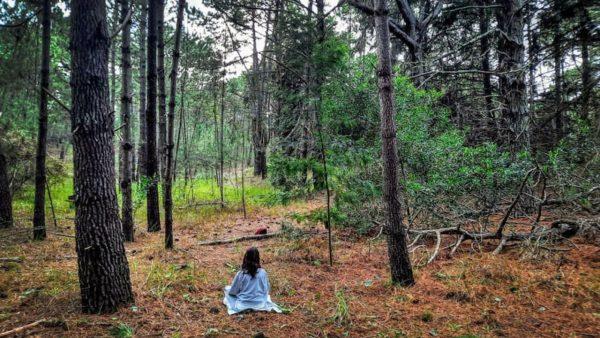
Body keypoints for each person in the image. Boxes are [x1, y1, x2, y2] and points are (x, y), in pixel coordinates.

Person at [223, 247, 282, 315]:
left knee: (227, 291)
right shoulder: (263, 272)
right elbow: (267, 290)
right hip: (260, 305)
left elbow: (233, 292)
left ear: (246, 258)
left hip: (242, 306)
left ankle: (246, 307)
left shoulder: (241, 273)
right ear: (258, 258)